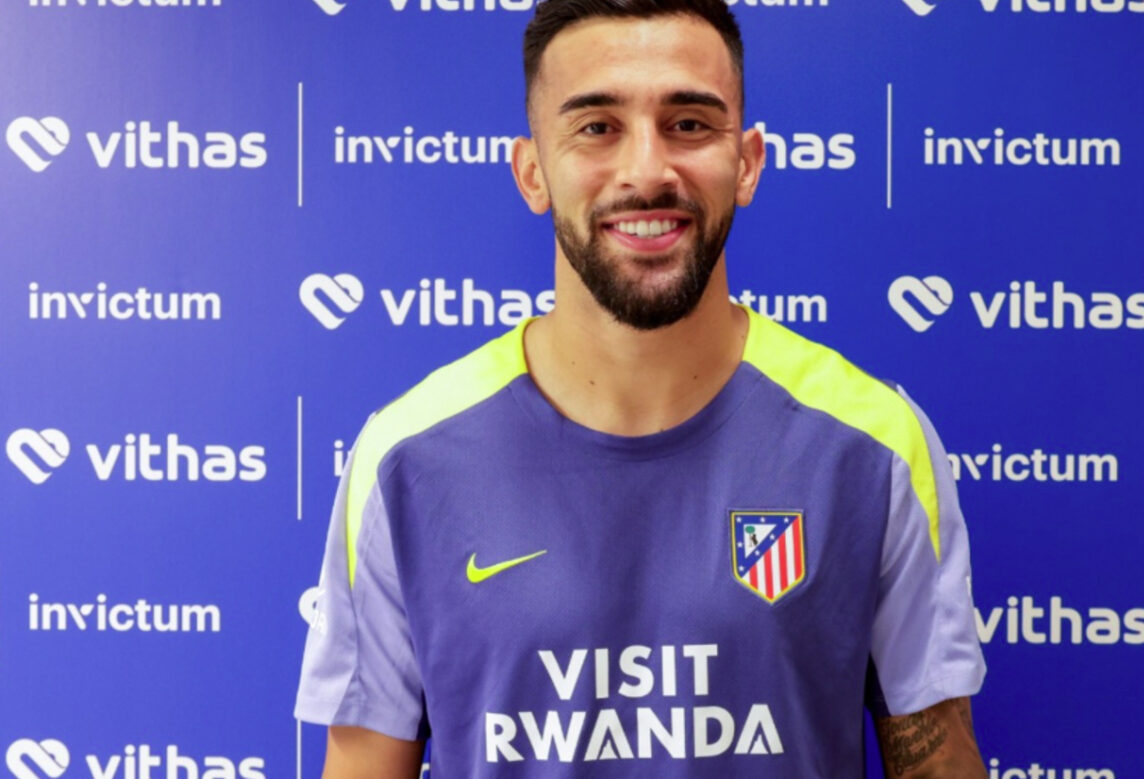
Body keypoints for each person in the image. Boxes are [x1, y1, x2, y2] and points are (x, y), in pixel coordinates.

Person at [295, 0, 988, 775]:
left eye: (689, 124)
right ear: (532, 172)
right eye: (597, 127)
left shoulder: (872, 444)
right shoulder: (406, 459)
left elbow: (938, 762)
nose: (648, 170)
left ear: (747, 162)